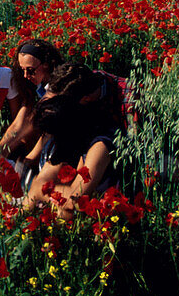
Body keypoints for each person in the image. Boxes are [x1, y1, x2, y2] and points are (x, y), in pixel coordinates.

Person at [22, 91, 116, 220]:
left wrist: (40, 190)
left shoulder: (99, 146)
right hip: (84, 210)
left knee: (62, 210)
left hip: (106, 214)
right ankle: (19, 224)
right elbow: (43, 177)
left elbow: (74, 200)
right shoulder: (72, 141)